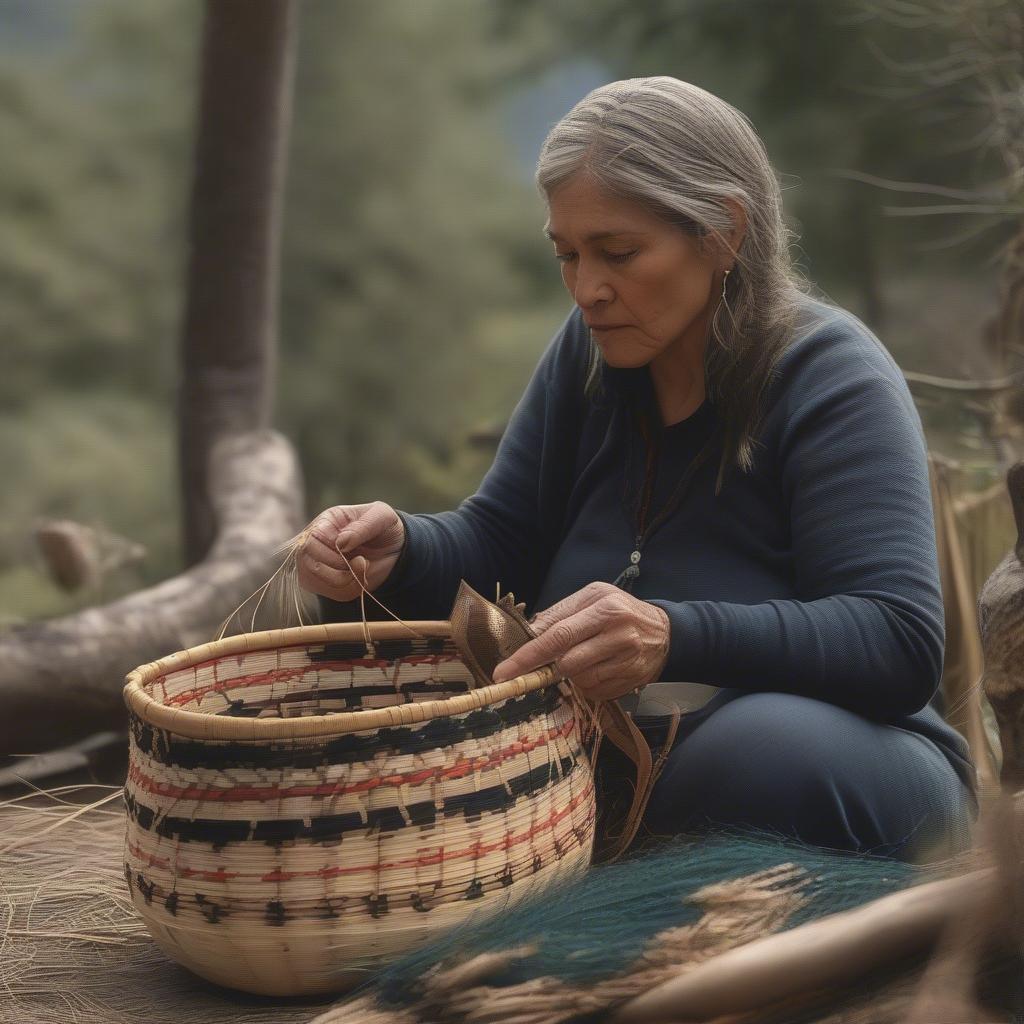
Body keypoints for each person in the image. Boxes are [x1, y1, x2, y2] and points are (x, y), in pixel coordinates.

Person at [299, 76, 978, 862]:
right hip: (601, 758)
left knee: (756, 754)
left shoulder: (828, 373)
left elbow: (895, 643)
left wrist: (672, 634)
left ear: (723, 231)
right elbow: (499, 543)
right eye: (567, 255)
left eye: (617, 252)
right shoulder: (587, 359)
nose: (588, 289)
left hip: (849, 765)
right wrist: (399, 552)